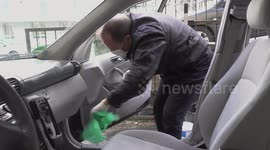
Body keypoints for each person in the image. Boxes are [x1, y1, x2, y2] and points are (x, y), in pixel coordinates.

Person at [92, 13, 213, 139]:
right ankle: (164, 142)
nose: (113, 52)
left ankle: (171, 146)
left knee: (171, 115)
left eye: (114, 48)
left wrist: (107, 102)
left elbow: (139, 78)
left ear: (127, 39)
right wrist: (138, 73)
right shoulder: (132, 25)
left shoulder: (149, 35)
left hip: (194, 65)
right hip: (175, 64)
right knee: (159, 108)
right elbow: (143, 63)